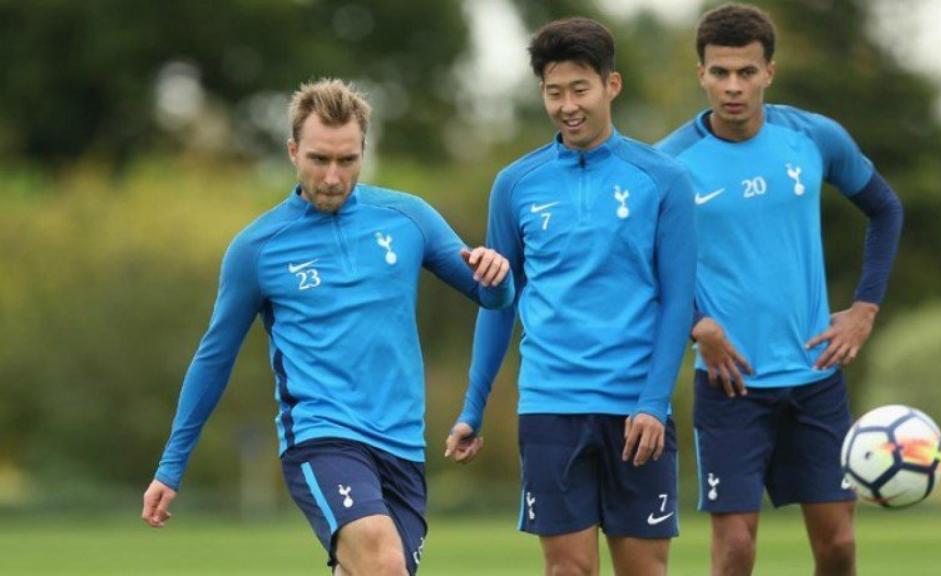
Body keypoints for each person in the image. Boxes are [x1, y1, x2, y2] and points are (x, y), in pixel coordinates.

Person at [141, 78, 514, 576]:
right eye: (319, 159)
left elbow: (492, 297)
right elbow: (214, 358)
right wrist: (171, 466)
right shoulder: (257, 249)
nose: (333, 177)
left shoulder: (408, 218)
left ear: (364, 152)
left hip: (402, 444)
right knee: (383, 564)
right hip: (322, 436)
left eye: (347, 160)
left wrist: (498, 276)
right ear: (293, 151)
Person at [656, 4, 904, 575]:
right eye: (720, 72)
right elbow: (642, 262)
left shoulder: (814, 137)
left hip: (815, 377)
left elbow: (885, 209)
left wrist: (864, 309)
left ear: (769, 71)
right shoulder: (669, 164)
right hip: (730, 384)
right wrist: (696, 322)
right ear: (701, 74)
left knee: (838, 546)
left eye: (746, 72)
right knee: (736, 550)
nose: (733, 87)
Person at [444, 17, 697, 576]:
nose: (567, 106)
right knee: (567, 571)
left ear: (611, 85)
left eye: (580, 89)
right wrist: (472, 408)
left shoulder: (664, 179)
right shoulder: (515, 184)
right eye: (554, 93)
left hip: (635, 409)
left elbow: (678, 302)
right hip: (550, 406)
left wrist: (654, 402)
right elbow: (497, 301)